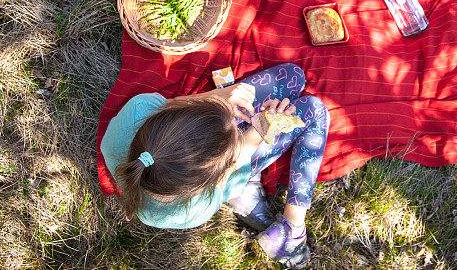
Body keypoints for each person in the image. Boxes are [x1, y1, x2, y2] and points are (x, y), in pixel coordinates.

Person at [100, 63, 328, 268]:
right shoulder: (197, 207)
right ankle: (291, 230)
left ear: (166, 120)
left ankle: (245, 189)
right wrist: (260, 127)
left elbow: (170, 106)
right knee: (314, 109)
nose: (235, 121)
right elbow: (237, 160)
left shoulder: (140, 109)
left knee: (293, 75)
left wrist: (219, 96)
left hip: (207, 162)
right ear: (206, 183)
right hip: (232, 171)